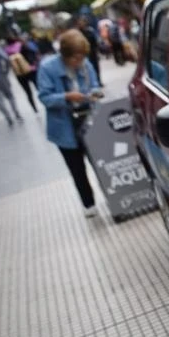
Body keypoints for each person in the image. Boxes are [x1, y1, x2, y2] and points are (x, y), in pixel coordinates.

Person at [37, 29, 103, 217]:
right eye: (76, 58)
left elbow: (95, 85)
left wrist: (95, 93)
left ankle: (111, 196)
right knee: (77, 169)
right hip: (64, 126)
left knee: (100, 162)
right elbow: (45, 97)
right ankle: (89, 204)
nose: (80, 62)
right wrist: (66, 96)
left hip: (88, 121)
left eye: (82, 57)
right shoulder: (48, 68)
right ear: (65, 55)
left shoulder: (85, 64)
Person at [0, 35, 24, 126]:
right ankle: (17, 114)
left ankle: (8, 118)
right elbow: (6, 59)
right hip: (0, 76)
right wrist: (5, 71)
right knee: (10, 96)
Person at [4, 35, 39, 113]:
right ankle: (46, 102)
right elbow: (33, 53)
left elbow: (7, 63)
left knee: (28, 92)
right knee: (38, 88)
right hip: (31, 70)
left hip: (19, 74)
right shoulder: (22, 45)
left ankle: (34, 108)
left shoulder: (6, 50)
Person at [76, 15, 102, 85]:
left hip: (92, 51)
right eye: (80, 22)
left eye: (83, 22)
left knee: (96, 67)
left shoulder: (90, 30)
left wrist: (97, 50)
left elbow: (95, 41)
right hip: (84, 53)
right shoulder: (78, 33)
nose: (82, 23)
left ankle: (98, 81)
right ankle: (91, 83)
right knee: (86, 68)